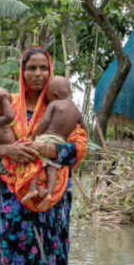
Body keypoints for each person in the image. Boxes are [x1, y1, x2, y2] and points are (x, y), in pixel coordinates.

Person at [0, 46, 88, 265]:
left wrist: (46, 148)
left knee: (51, 253)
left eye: (44, 68)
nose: (38, 73)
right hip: (14, 195)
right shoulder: (6, 104)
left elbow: (79, 148)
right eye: (32, 68)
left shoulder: (62, 105)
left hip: (53, 193)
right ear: (22, 73)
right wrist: (6, 149)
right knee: (15, 257)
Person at [26, 76, 86, 210]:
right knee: (52, 168)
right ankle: (49, 193)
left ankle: (33, 188)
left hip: (46, 138)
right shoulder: (77, 111)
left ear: (55, 95)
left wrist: (33, 136)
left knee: (35, 161)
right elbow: (84, 131)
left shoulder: (54, 104)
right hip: (61, 141)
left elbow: (45, 122)